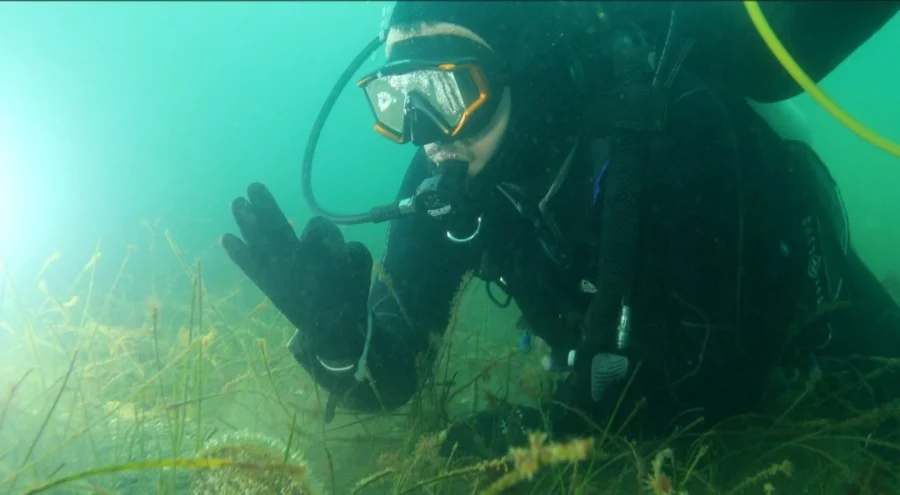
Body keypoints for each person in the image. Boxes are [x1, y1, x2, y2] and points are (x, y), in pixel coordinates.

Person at [222, 1, 900, 460]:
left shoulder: (674, 129)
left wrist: (552, 434)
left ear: (518, 71)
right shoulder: (448, 177)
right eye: (401, 102)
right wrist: (343, 343)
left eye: (451, 95)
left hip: (811, 311)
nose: (426, 135)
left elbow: (720, 385)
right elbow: (395, 375)